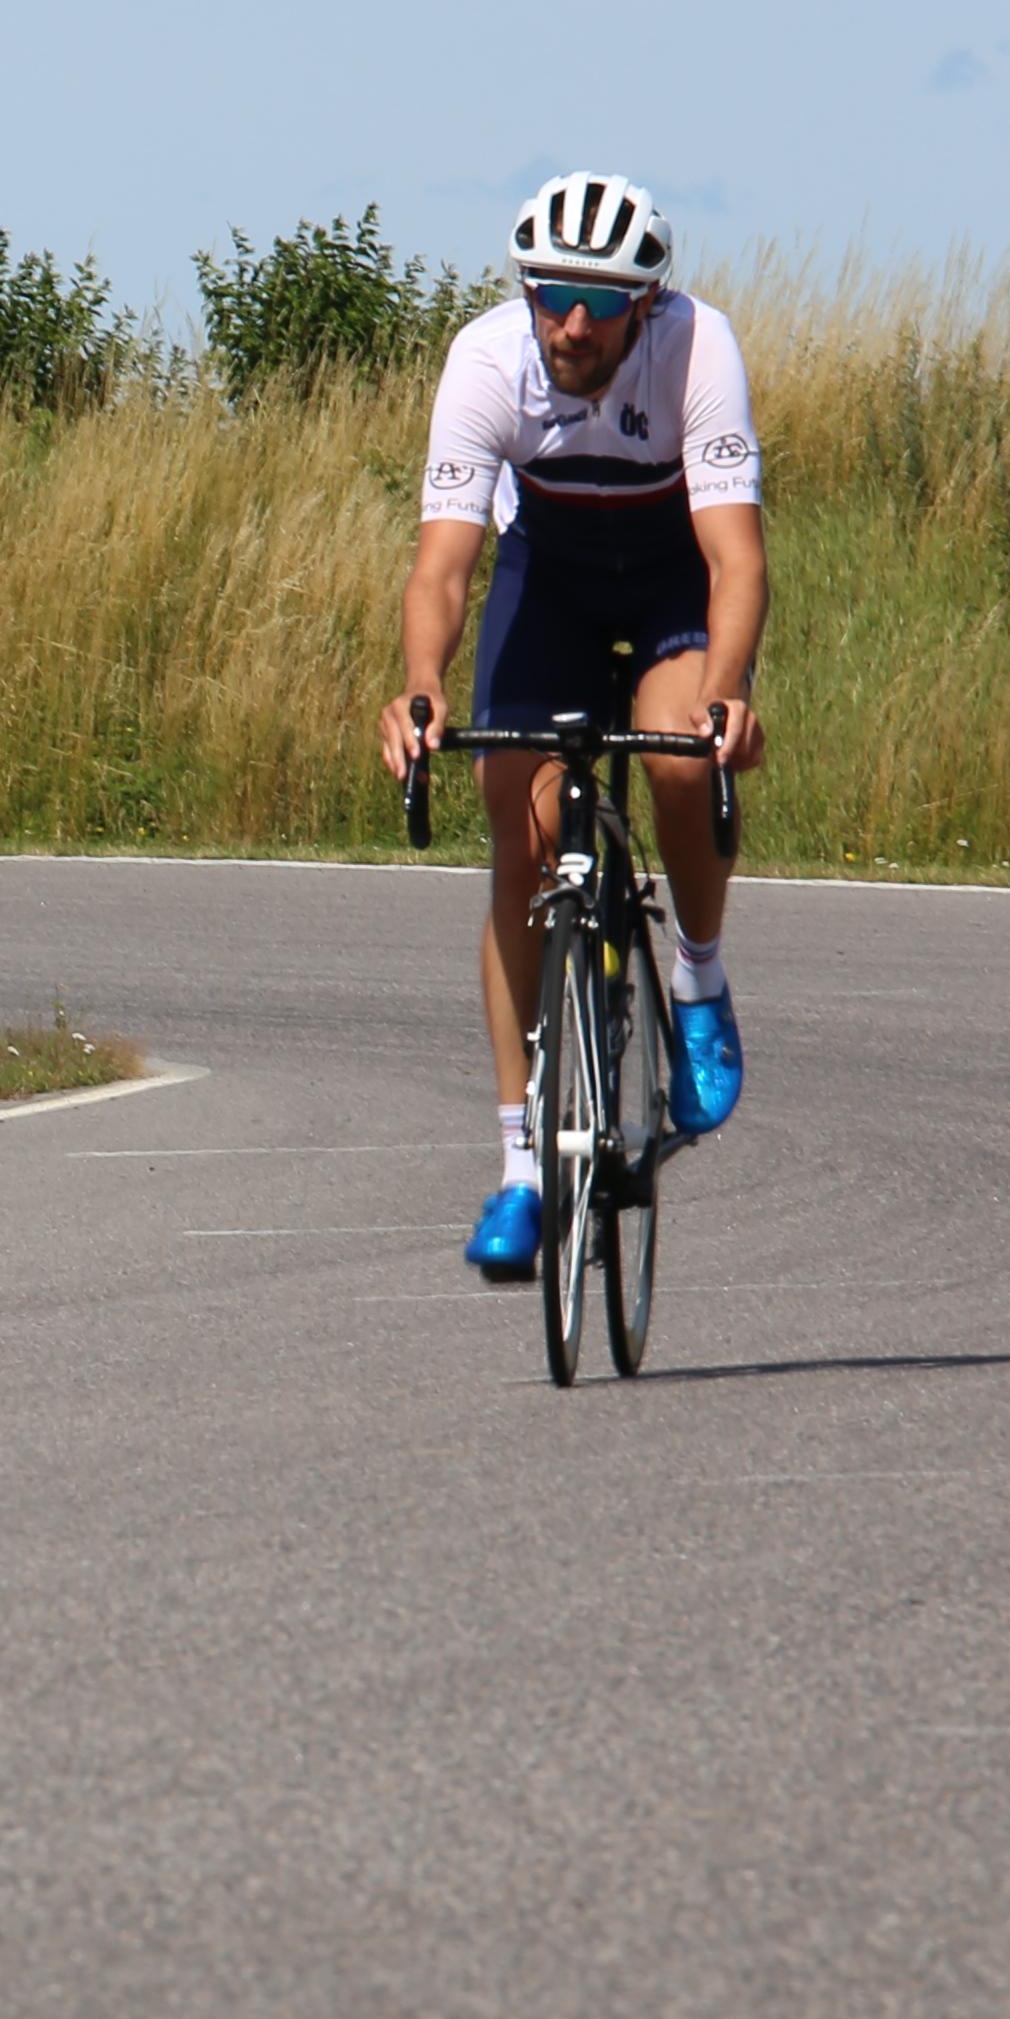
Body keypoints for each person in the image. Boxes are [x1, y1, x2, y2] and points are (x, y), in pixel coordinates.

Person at [372, 170, 763, 1279]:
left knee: (682, 759)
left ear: (646, 304)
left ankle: (697, 978)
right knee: (523, 833)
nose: (573, 324)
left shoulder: (698, 348)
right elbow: (444, 567)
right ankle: (520, 1169)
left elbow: (736, 558)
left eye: (599, 302)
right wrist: (421, 684)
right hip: (548, 577)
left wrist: (728, 688)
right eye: (552, 295)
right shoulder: (485, 360)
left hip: (670, 576)